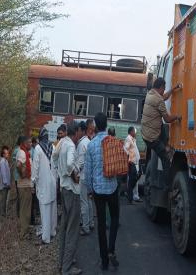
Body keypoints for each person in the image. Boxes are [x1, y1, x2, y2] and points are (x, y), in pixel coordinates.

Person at [85, 112, 120, 271]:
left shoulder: (91, 145)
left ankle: (104, 260)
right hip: (112, 188)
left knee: (100, 225)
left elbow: (88, 172)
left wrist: (90, 190)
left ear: (95, 126)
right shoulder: (114, 141)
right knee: (114, 218)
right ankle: (111, 248)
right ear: (106, 124)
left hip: (98, 190)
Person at [141, 77, 181, 188]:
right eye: (164, 88)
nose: (164, 91)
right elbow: (168, 119)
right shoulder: (158, 100)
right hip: (152, 139)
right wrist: (177, 116)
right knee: (166, 159)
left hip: (145, 133)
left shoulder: (150, 94)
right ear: (161, 87)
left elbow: (164, 97)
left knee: (162, 126)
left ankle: (166, 146)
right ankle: (166, 186)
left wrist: (173, 89)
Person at [57, 122, 82, 275]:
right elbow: (68, 165)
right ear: (77, 132)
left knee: (64, 228)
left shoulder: (62, 142)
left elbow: (54, 158)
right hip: (72, 191)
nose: (81, 134)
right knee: (72, 230)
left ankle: (61, 263)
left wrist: (62, 175)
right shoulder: (71, 145)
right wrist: (74, 176)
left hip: (63, 188)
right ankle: (67, 268)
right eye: (80, 131)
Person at [31, 128, 57, 244]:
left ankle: (46, 238)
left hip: (43, 183)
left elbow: (35, 168)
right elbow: (55, 166)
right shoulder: (53, 147)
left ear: (40, 137)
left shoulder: (38, 148)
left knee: (44, 210)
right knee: (52, 209)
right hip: (52, 183)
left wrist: (33, 182)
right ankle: (52, 231)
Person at [76, 121, 94, 236]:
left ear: (82, 130)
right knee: (89, 200)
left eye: (77, 130)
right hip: (89, 176)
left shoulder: (82, 144)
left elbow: (81, 163)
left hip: (82, 176)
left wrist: (75, 174)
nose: (76, 133)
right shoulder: (89, 142)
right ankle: (91, 222)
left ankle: (85, 227)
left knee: (84, 202)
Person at [16, 136, 33, 240]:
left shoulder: (25, 152)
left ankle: (25, 230)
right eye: (29, 142)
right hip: (24, 185)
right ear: (24, 143)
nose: (31, 144)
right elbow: (18, 165)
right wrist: (23, 174)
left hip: (26, 185)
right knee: (24, 209)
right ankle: (23, 233)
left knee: (26, 209)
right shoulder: (22, 153)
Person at [124, 127, 141, 204]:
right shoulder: (128, 139)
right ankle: (130, 197)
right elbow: (125, 150)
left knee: (136, 179)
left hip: (136, 163)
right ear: (131, 132)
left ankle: (135, 196)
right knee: (132, 180)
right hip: (132, 163)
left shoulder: (133, 139)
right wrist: (129, 160)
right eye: (134, 131)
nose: (135, 133)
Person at [12, 136, 25, 217]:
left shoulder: (15, 150)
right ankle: (19, 214)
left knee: (19, 195)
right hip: (19, 176)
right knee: (20, 196)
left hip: (17, 176)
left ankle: (18, 214)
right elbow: (18, 165)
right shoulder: (19, 150)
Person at [0, 146, 11, 216]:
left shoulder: (5, 161)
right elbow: (3, 174)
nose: (8, 155)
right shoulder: (2, 162)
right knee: (3, 200)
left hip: (6, 185)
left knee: (5, 200)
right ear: (3, 154)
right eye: (6, 153)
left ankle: (4, 214)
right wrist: (6, 183)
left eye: (8, 153)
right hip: (4, 185)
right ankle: (2, 214)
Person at [30, 136, 40, 226]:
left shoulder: (35, 149)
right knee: (33, 197)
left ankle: (36, 212)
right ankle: (34, 214)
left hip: (34, 176)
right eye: (36, 142)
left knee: (35, 197)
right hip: (32, 177)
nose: (37, 143)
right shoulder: (33, 151)